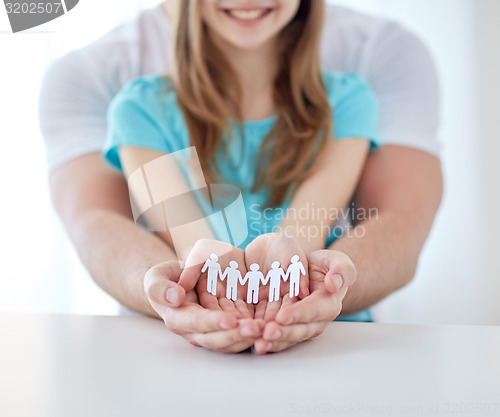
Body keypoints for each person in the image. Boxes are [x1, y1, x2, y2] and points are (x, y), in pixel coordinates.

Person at [39, 0, 443, 355]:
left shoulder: (348, 100)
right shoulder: (138, 110)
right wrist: (210, 281)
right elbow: (190, 242)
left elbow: (306, 227)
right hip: (187, 351)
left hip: (330, 347)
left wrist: (293, 274)